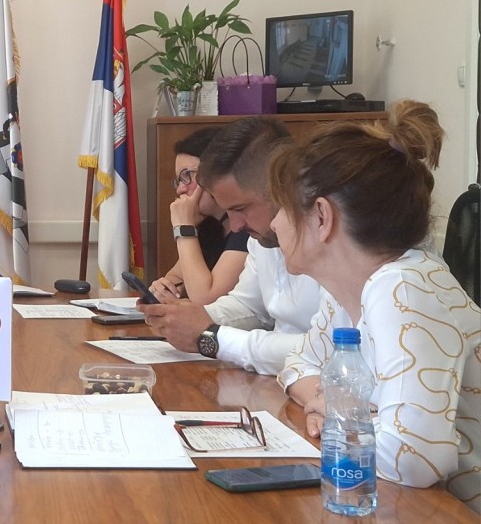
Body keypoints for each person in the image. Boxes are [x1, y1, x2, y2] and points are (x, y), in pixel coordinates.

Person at [271, 100, 480, 512]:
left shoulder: (403, 287)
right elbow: (296, 365)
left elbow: (414, 460)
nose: (274, 223)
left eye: (283, 207)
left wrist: (340, 416)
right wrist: (350, 410)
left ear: (321, 217)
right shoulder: (346, 290)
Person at [142, 117, 319, 375]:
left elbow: (327, 348)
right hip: (281, 380)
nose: (235, 226)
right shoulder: (260, 238)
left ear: (281, 188)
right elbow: (249, 308)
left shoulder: (335, 241)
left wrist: (213, 337)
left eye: (241, 208)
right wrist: (187, 317)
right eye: (229, 211)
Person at [149, 126, 249, 305]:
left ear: (215, 172)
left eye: (187, 175)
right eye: (179, 180)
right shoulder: (208, 224)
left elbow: (207, 298)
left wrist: (184, 228)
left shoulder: (247, 228)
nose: (180, 189)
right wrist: (166, 289)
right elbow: (176, 277)